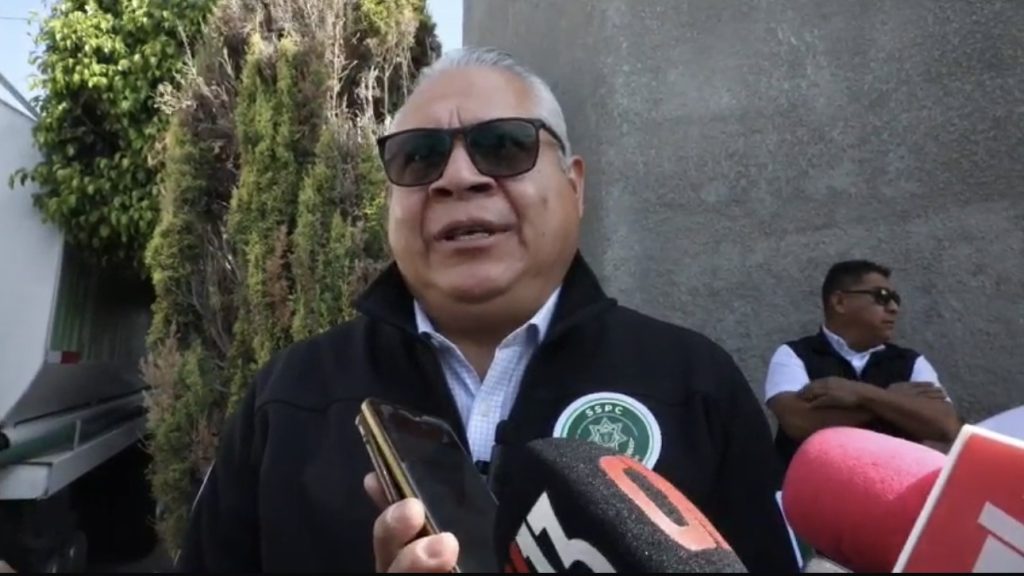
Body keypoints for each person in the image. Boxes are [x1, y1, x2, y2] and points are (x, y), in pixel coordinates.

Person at [178, 46, 797, 573]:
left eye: (503, 146)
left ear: (574, 186)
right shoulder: (289, 397)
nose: (458, 178)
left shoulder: (695, 384)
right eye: (419, 156)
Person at [764, 259, 962, 468]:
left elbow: (946, 426)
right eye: (881, 297)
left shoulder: (911, 362)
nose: (893, 308)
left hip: (891, 483)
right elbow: (798, 422)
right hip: (813, 485)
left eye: (895, 299)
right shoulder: (794, 355)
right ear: (840, 302)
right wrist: (893, 403)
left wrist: (861, 394)